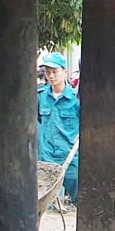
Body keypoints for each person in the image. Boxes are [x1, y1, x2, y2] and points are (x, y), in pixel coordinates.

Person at [37, 52, 81, 203]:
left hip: (70, 158)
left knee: (80, 200)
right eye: (47, 72)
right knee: (46, 203)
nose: (51, 76)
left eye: (54, 72)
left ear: (64, 72)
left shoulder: (76, 99)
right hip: (46, 158)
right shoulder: (40, 96)